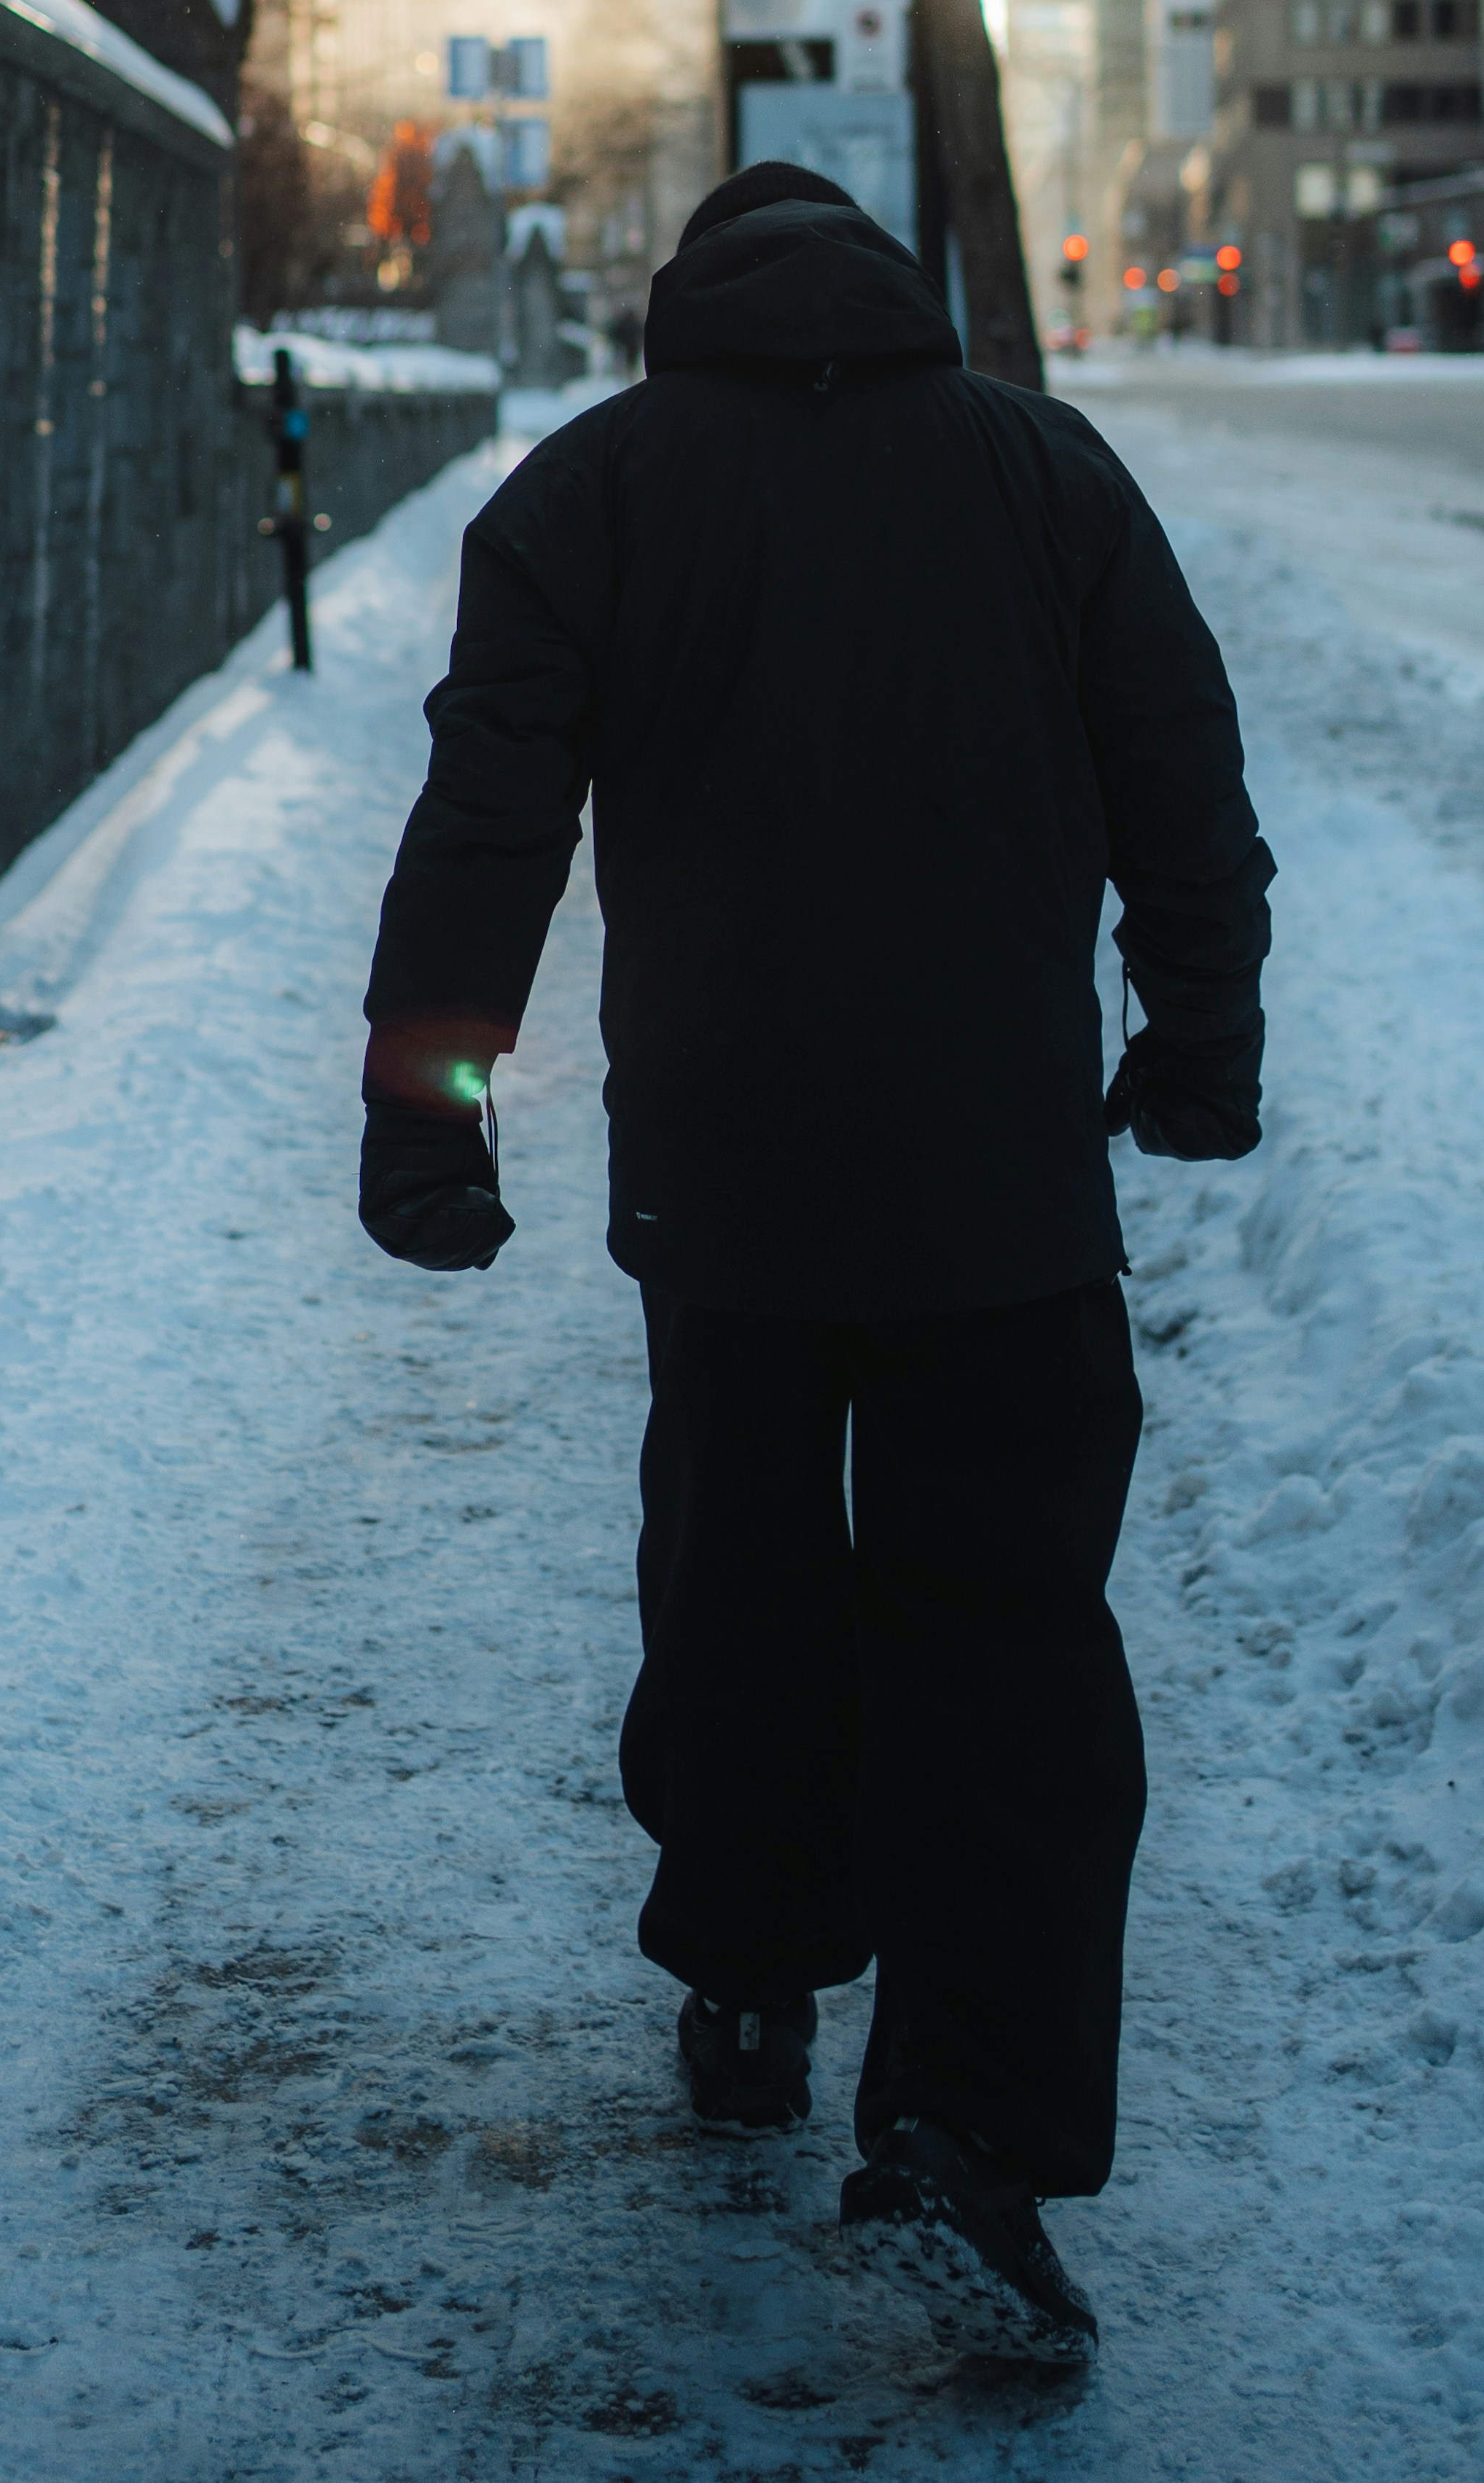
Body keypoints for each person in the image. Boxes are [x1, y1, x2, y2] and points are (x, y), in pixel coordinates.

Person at [355, 161, 1272, 2367]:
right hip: (999, 1179)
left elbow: (493, 820)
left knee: (745, 1572)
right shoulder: (1043, 469)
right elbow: (1179, 769)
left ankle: (754, 1971)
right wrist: (1201, 1040)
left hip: (729, 1178)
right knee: (1013, 1647)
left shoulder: (595, 488)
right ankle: (972, 2124)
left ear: (691, 304)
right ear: (896, 290)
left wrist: (431, 1122)